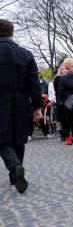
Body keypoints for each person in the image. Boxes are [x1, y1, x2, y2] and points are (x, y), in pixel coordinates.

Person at [0, 19, 43, 194]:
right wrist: (37, 108)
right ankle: (15, 175)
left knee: (1, 139)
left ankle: (15, 167)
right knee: (18, 137)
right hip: (21, 101)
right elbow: (34, 85)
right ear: (12, 33)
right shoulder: (25, 54)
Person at [28, 72, 53, 140]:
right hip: (31, 103)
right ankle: (29, 134)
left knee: (43, 118)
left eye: (39, 77)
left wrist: (46, 98)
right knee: (30, 118)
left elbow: (49, 92)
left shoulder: (45, 83)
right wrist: (40, 95)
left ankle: (46, 133)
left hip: (42, 102)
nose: (38, 78)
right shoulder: (29, 83)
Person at [53, 64, 72, 144]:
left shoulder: (69, 78)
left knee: (70, 119)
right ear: (60, 70)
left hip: (69, 100)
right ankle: (65, 135)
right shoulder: (57, 78)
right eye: (62, 69)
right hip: (61, 101)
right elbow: (58, 90)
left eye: (65, 69)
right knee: (63, 119)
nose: (64, 70)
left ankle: (72, 135)